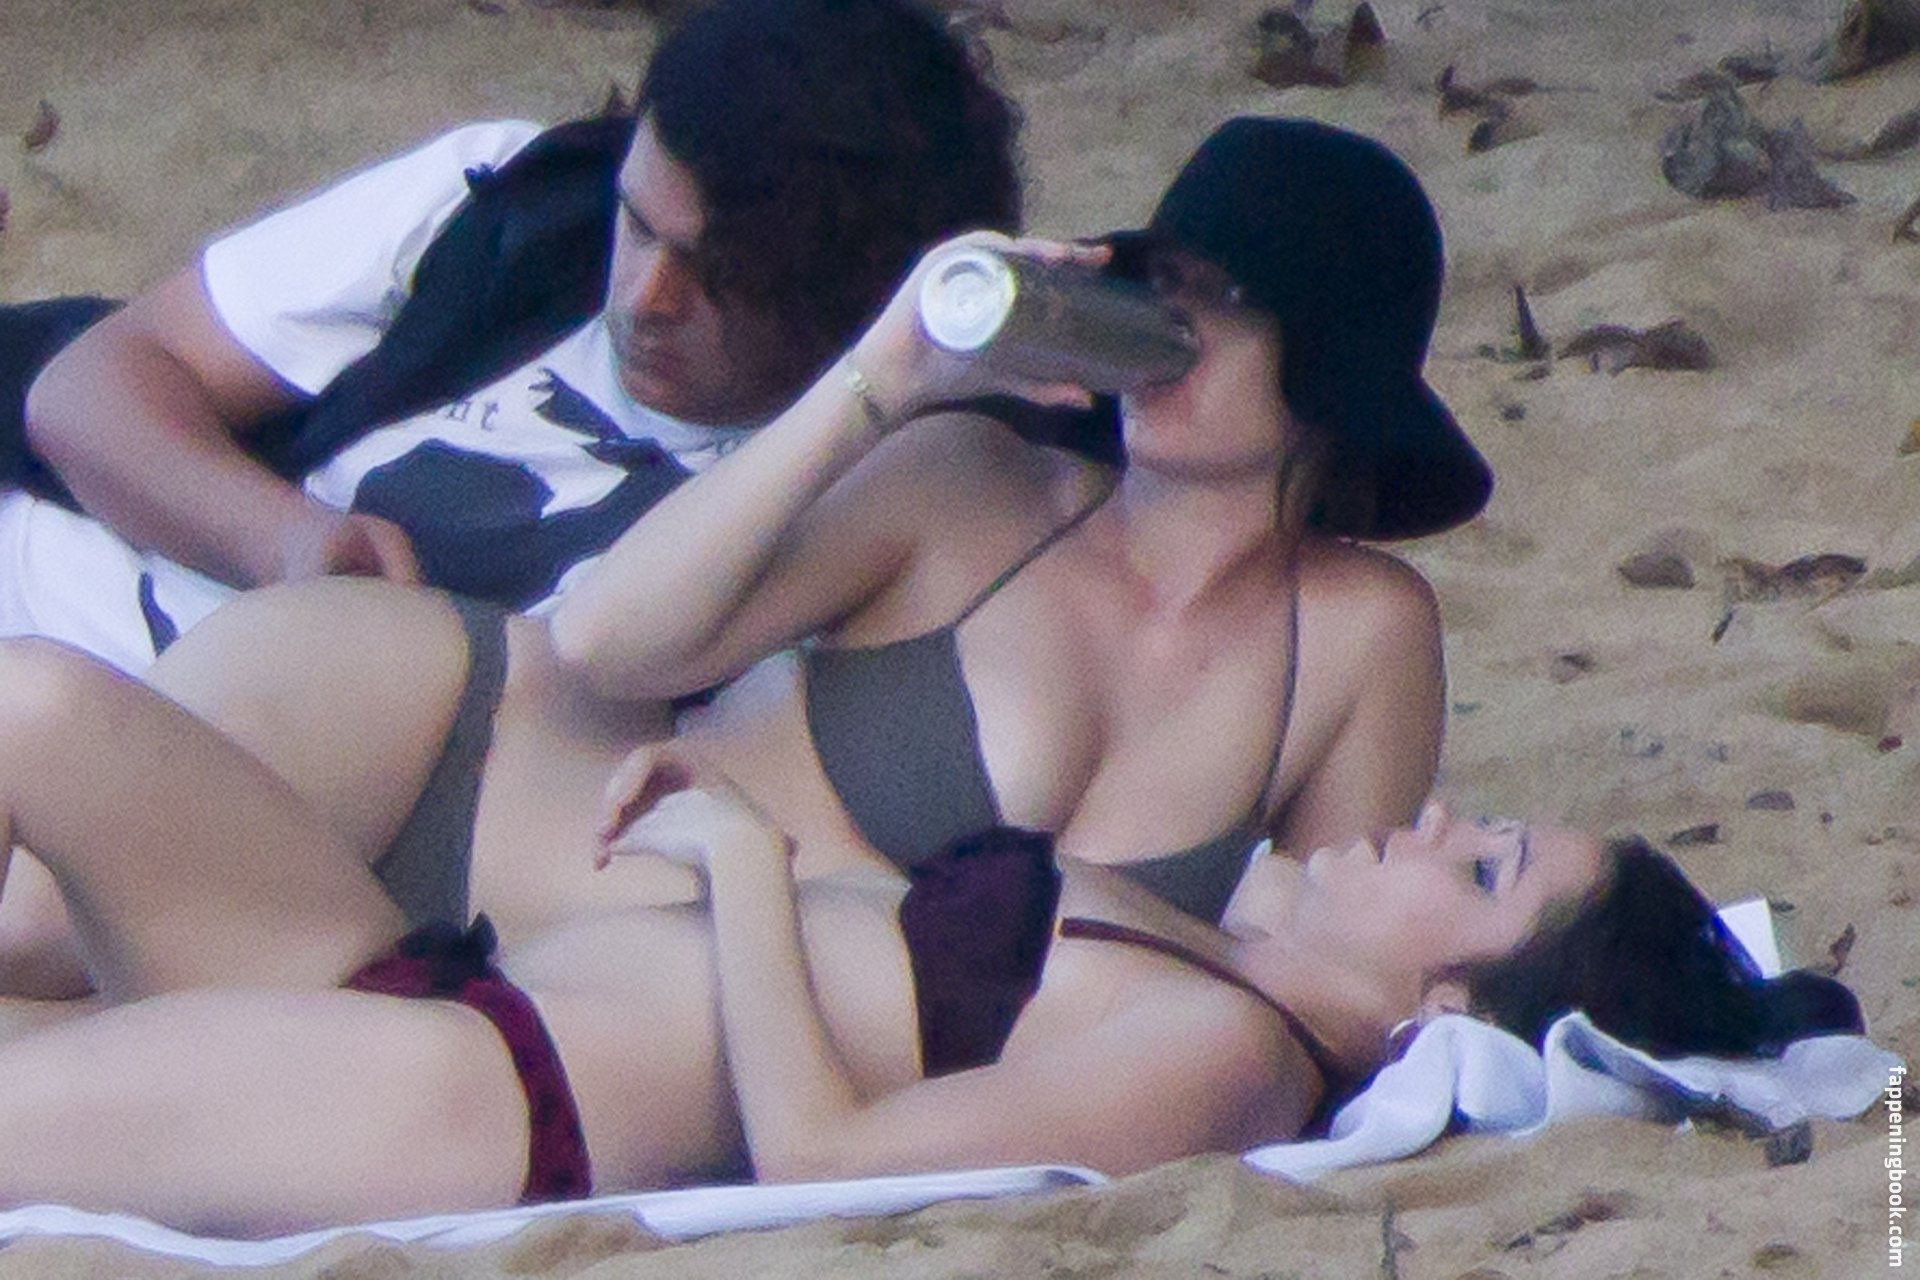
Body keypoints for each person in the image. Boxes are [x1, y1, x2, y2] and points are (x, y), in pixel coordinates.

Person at [0, 652, 1860, 1233]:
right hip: (426, 990)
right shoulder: (1214, 949)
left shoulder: (1222, 1056)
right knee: (43, 710)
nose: (1437, 820)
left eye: (1484, 867)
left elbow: (826, 1162)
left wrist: (744, 870)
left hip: (475, 1098)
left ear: (1445, 1001)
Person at [547, 114, 1494, 920]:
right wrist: (883, 376)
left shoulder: (1363, 631)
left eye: (1226, 299)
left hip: (842, 1054)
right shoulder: (970, 483)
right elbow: (601, 643)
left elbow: (1332, 978)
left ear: (1329, 364)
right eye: (1161, 285)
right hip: (611, 925)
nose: (1172, 329)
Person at [0, 0, 1023, 676]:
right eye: (638, 226)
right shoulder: (522, 202)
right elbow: (85, 391)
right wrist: (284, 542)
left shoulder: (871, 490)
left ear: (851, 300)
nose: (646, 298)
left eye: (719, 279)